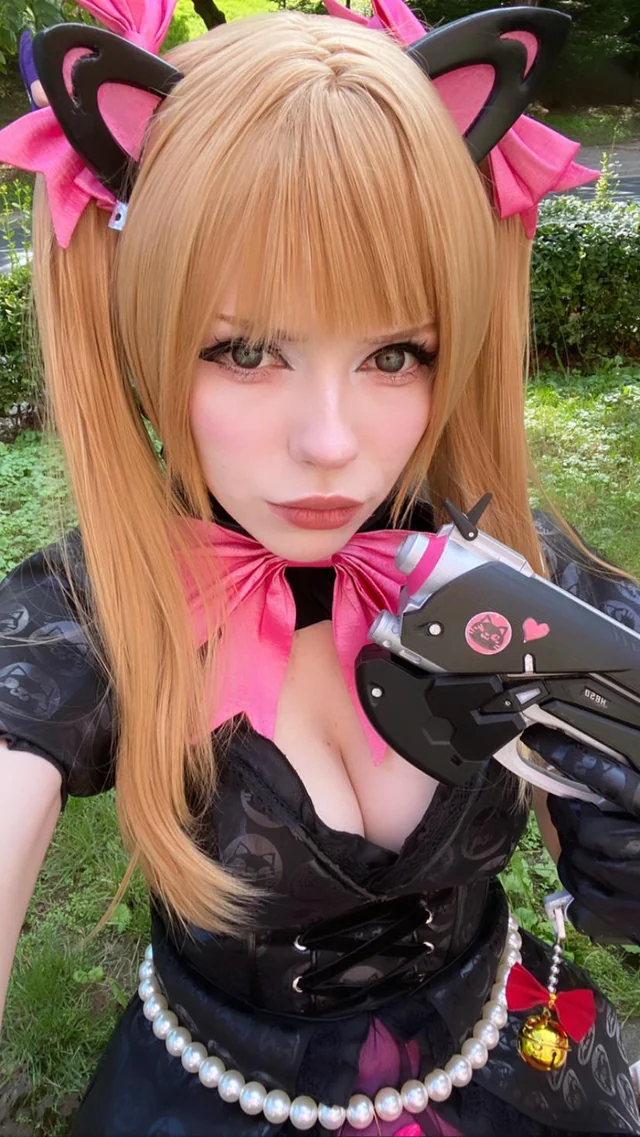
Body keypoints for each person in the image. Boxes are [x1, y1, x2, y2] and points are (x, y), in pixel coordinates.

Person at [1, 0, 640, 1133]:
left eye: (396, 352)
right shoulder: (79, 621)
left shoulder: (502, 566)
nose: (331, 442)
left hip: (511, 1061)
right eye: (245, 350)